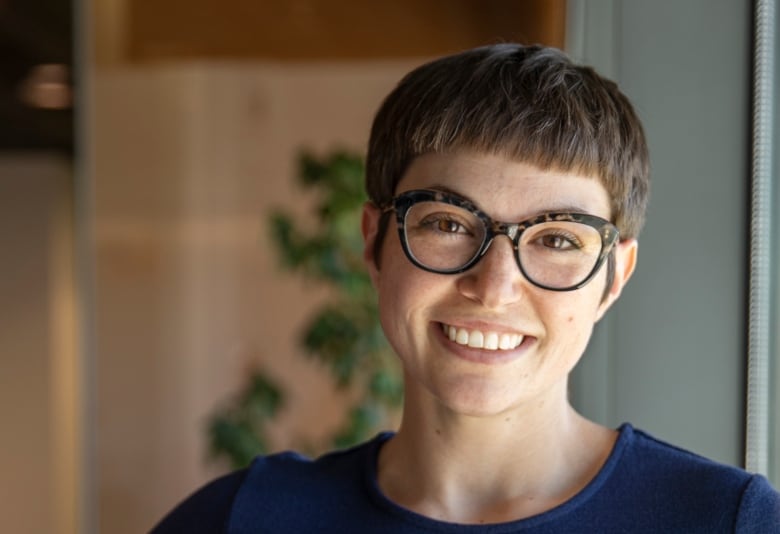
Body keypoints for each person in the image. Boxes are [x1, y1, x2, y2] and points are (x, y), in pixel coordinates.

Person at [152, 43, 780, 533]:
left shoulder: (730, 522)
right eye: (449, 224)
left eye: (558, 239)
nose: (495, 285)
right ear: (375, 242)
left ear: (613, 275)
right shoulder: (242, 520)